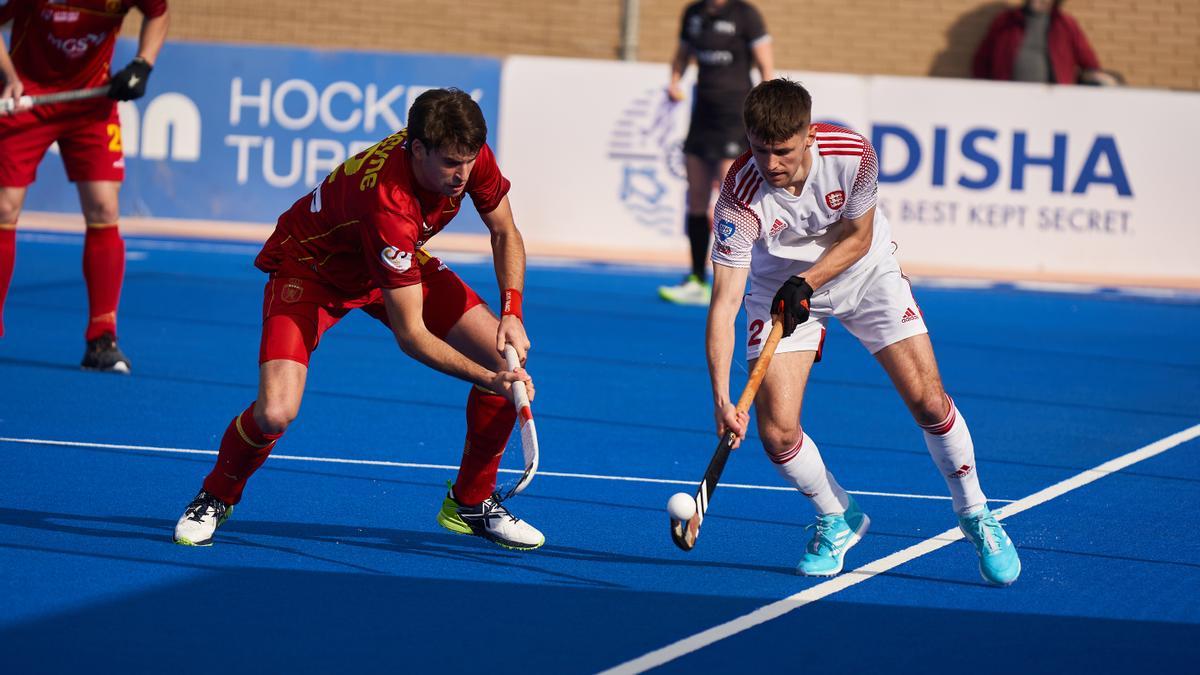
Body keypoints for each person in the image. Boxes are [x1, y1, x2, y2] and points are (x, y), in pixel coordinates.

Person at [172, 89, 545, 552]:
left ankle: (469, 502)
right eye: (451, 163)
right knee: (275, 412)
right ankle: (216, 494)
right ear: (418, 148)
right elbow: (411, 336)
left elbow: (505, 229)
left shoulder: (466, 152)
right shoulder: (390, 204)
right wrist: (488, 379)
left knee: (499, 347)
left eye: (468, 161)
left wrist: (512, 311)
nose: (462, 174)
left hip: (390, 262)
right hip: (311, 268)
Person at [706, 79, 1020, 586]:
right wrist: (721, 397)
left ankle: (976, 514)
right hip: (775, 287)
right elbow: (723, 304)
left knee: (929, 402)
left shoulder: (852, 155)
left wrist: (806, 281)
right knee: (776, 432)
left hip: (863, 272)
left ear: (808, 135)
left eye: (782, 151)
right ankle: (838, 517)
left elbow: (858, 238)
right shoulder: (738, 195)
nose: (771, 164)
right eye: (760, 150)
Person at [0, 0, 170, 372]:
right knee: (4, 207)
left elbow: (158, 12)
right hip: (26, 98)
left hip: (92, 102)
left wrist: (143, 63)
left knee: (104, 208)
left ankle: (101, 339)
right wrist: (8, 75)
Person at [658, 0, 773, 306]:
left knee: (732, 197)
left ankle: (741, 278)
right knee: (695, 196)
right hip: (702, 118)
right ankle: (697, 277)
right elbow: (682, 56)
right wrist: (674, 81)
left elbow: (766, 66)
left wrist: (769, 108)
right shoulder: (693, 13)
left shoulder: (745, 15)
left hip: (735, 118)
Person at [972, 0, 1119, 86]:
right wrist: (987, 91)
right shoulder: (1006, 21)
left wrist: (1096, 75)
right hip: (1011, 95)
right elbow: (982, 60)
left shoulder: (1064, 24)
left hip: (1053, 99)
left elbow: (1088, 60)